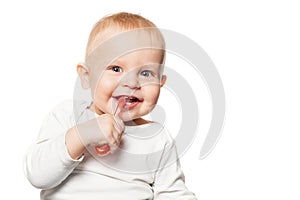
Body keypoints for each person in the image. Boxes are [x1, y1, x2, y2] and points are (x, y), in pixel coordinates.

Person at [24, 12, 197, 200]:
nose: (131, 82)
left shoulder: (157, 139)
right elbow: (37, 175)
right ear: (86, 77)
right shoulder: (68, 115)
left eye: (146, 73)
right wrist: (82, 135)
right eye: (116, 69)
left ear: (161, 83)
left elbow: (174, 194)